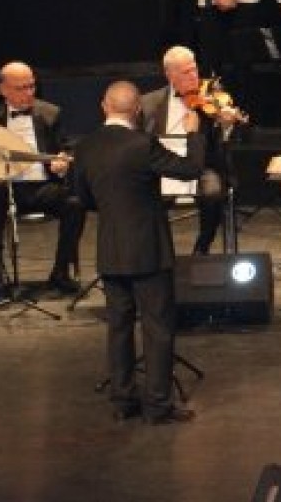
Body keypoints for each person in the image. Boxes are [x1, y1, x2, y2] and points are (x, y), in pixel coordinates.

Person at [72, 80, 205, 424]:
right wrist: (194, 134)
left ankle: (123, 401)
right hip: (148, 250)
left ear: (104, 106)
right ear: (137, 110)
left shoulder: (85, 147)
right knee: (157, 327)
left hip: (110, 249)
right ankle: (157, 405)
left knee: (118, 327)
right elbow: (190, 170)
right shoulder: (143, 144)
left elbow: (83, 198)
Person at [0, 62, 86, 294]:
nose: (29, 93)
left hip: (41, 187)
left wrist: (62, 163)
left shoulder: (50, 112)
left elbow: (66, 149)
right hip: (3, 187)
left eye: (31, 86)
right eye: (20, 88)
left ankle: (60, 273)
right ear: (3, 89)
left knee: (75, 204)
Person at [140, 47, 240, 256]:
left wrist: (226, 126)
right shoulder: (148, 102)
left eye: (194, 69)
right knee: (144, 194)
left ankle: (202, 248)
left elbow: (222, 142)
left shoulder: (211, 98)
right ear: (170, 75)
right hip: (164, 164)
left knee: (213, 191)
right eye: (186, 72)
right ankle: (161, 253)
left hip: (201, 165)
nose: (194, 76)